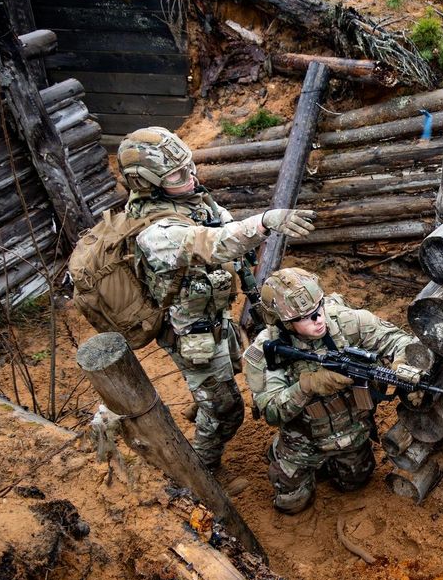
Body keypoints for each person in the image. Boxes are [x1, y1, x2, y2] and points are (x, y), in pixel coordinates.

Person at [119, 126, 316, 470]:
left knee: (233, 369)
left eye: (189, 166)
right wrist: (265, 222)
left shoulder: (189, 199)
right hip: (190, 333)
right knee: (227, 412)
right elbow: (217, 243)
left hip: (214, 316)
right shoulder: (155, 232)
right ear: (147, 183)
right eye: (178, 173)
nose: (191, 176)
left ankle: (203, 402)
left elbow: (223, 225)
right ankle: (203, 470)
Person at [243, 268, 424, 513]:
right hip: (302, 440)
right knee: (292, 505)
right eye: (306, 317)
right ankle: (279, 451)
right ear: (284, 323)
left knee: (355, 483)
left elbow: (398, 339)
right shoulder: (265, 351)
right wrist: (308, 385)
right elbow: (272, 412)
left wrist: (401, 365)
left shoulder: (345, 321)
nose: (319, 319)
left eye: (319, 309)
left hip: (351, 431)